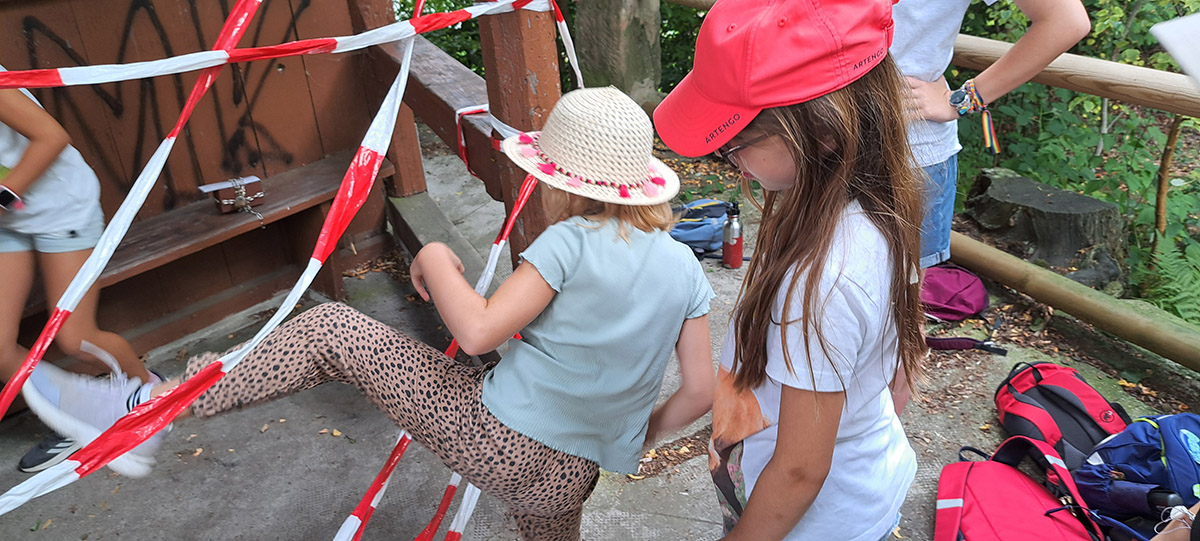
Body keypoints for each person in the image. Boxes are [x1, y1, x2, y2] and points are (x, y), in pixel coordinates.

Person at [24, 87, 716, 540]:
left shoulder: (569, 241)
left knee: (331, 329)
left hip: (500, 439)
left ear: (558, 178)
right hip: (575, 474)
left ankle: (161, 405)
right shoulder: (685, 266)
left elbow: (478, 328)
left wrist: (436, 256)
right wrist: (624, 438)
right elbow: (700, 390)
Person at [653, 0, 926, 539]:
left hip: (816, 523)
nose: (730, 160)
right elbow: (899, 360)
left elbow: (800, 470)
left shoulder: (822, 281)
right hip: (863, 485)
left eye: (734, 144)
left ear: (821, 131)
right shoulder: (883, 202)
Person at [0, 74, 156, 474]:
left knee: (75, 339)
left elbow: (52, 137)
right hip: (8, 221)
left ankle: (150, 396)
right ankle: (75, 416)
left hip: (60, 207)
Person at [893, 0, 1090, 268]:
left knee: (901, 286)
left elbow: (1066, 21)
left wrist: (962, 100)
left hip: (907, 156)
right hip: (840, 142)